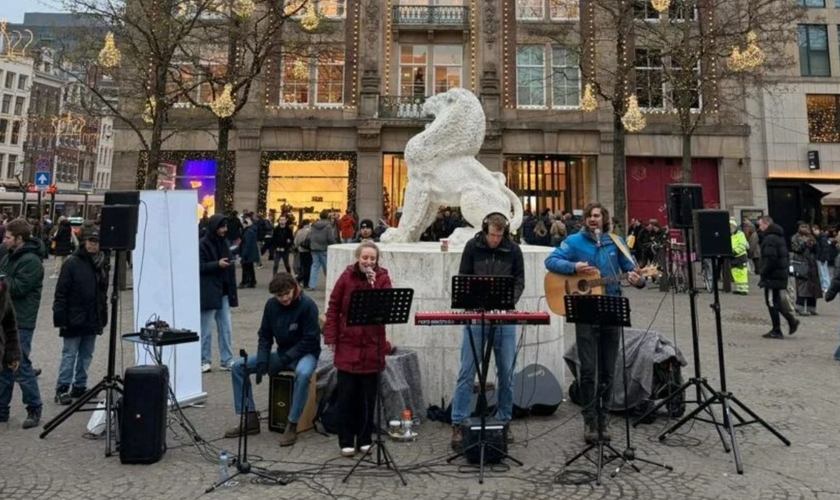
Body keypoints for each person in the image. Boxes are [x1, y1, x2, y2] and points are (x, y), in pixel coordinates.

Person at [544, 203, 644, 443]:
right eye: (589, 216)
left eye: (597, 216)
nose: (593, 219)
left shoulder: (615, 241)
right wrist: (573, 266)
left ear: (604, 219)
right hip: (585, 310)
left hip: (610, 308)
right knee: (588, 369)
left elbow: (633, 271)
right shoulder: (574, 242)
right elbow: (551, 260)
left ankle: (604, 416)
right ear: (585, 220)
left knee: (609, 369)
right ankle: (589, 419)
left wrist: (637, 279)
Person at [449, 213, 524, 452]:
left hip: (504, 317)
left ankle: (504, 421)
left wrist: (507, 301)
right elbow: (463, 277)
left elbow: (519, 281)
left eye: (499, 235)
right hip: (477, 315)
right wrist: (471, 301)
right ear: (485, 230)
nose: (495, 239)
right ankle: (459, 423)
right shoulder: (472, 246)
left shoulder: (513, 249)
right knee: (467, 371)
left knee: (507, 373)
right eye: (492, 234)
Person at [224, 273, 320, 447]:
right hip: (283, 353)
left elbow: (311, 339)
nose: (283, 298)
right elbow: (265, 335)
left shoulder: (308, 305)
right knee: (238, 366)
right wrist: (262, 360)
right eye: (279, 295)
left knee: (304, 373)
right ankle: (250, 417)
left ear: (294, 288)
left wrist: (285, 358)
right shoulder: (271, 305)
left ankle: (292, 423)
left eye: (287, 293)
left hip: (306, 354)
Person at [323, 242, 393, 457]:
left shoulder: (382, 279)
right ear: (358, 258)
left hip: (372, 344)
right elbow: (333, 306)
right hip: (348, 343)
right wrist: (331, 336)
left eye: (372, 259)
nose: (369, 262)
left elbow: (388, 307)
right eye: (365, 258)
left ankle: (364, 438)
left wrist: (374, 288)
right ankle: (346, 439)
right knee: (347, 396)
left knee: (368, 397)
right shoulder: (346, 277)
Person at [52, 228, 108, 405]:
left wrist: (103, 314)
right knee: (69, 354)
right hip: (73, 316)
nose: (93, 244)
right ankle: (62, 388)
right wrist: (60, 318)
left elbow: (102, 293)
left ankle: (80, 386)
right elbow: (61, 292)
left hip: (92, 316)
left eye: (96, 241)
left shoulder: (101, 263)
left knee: (86, 355)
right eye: (90, 241)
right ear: (84, 242)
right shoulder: (72, 263)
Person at [0, 219, 45, 428]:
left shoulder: (31, 261)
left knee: (20, 364)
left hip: (22, 320)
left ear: (19, 239)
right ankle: (2, 409)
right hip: (6, 316)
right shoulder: (9, 256)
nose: (5, 240)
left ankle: (34, 407)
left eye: (8, 237)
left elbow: (17, 288)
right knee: (4, 365)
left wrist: (2, 279)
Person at [199, 215, 239, 373]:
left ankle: (227, 359)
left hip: (222, 291)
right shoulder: (202, 244)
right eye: (222, 227)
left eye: (225, 226)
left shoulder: (224, 243)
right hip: (209, 292)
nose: (225, 230)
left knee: (226, 327)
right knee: (206, 329)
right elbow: (199, 266)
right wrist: (217, 264)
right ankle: (204, 359)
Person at [758, 216, 799, 339]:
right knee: (776, 301)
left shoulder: (770, 239)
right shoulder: (779, 237)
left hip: (773, 275)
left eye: (760, 224)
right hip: (779, 274)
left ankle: (777, 329)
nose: (759, 227)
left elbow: (771, 258)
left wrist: (763, 272)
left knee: (771, 302)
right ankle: (791, 321)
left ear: (766, 224)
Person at [791, 221, 821, 316]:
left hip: (812, 264)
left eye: (806, 227)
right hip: (801, 263)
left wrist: (814, 244)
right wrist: (805, 244)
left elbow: (816, 250)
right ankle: (799, 307)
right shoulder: (795, 237)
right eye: (802, 227)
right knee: (802, 286)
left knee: (813, 286)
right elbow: (796, 249)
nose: (805, 229)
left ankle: (811, 307)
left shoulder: (811, 237)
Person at [307, 210, 337, 290]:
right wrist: (335, 243)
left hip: (314, 248)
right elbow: (330, 238)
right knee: (326, 267)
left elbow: (310, 236)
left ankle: (311, 285)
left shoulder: (314, 225)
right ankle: (331, 284)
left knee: (314, 267)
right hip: (323, 248)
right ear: (328, 217)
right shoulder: (328, 226)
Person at [730, 219, 750, 295]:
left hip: (740, 256)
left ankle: (744, 289)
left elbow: (742, 245)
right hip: (734, 256)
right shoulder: (731, 235)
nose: (731, 228)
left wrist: (735, 251)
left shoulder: (740, 234)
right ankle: (739, 288)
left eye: (732, 226)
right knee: (735, 272)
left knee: (742, 272)